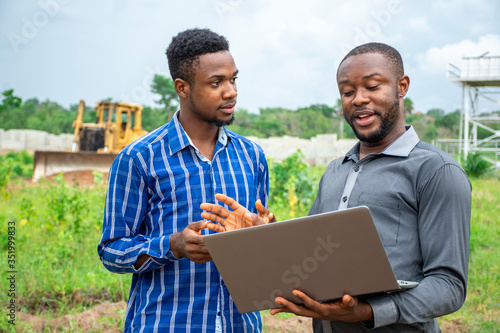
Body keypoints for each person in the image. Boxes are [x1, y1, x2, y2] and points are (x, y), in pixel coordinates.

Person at [203, 42, 472, 332]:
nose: (358, 99)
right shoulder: (334, 171)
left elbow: (449, 286)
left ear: (402, 86)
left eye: (372, 86)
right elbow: (310, 259)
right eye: (347, 92)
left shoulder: (436, 171)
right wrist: (263, 237)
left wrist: (367, 312)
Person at [97, 28, 271, 333]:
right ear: (183, 87)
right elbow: (112, 250)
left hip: (239, 324)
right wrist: (173, 245)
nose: (231, 91)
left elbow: (262, 251)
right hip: (166, 324)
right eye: (216, 83)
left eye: (233, 79)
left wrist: (264, 234)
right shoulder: (139, 158)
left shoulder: (251, 156)